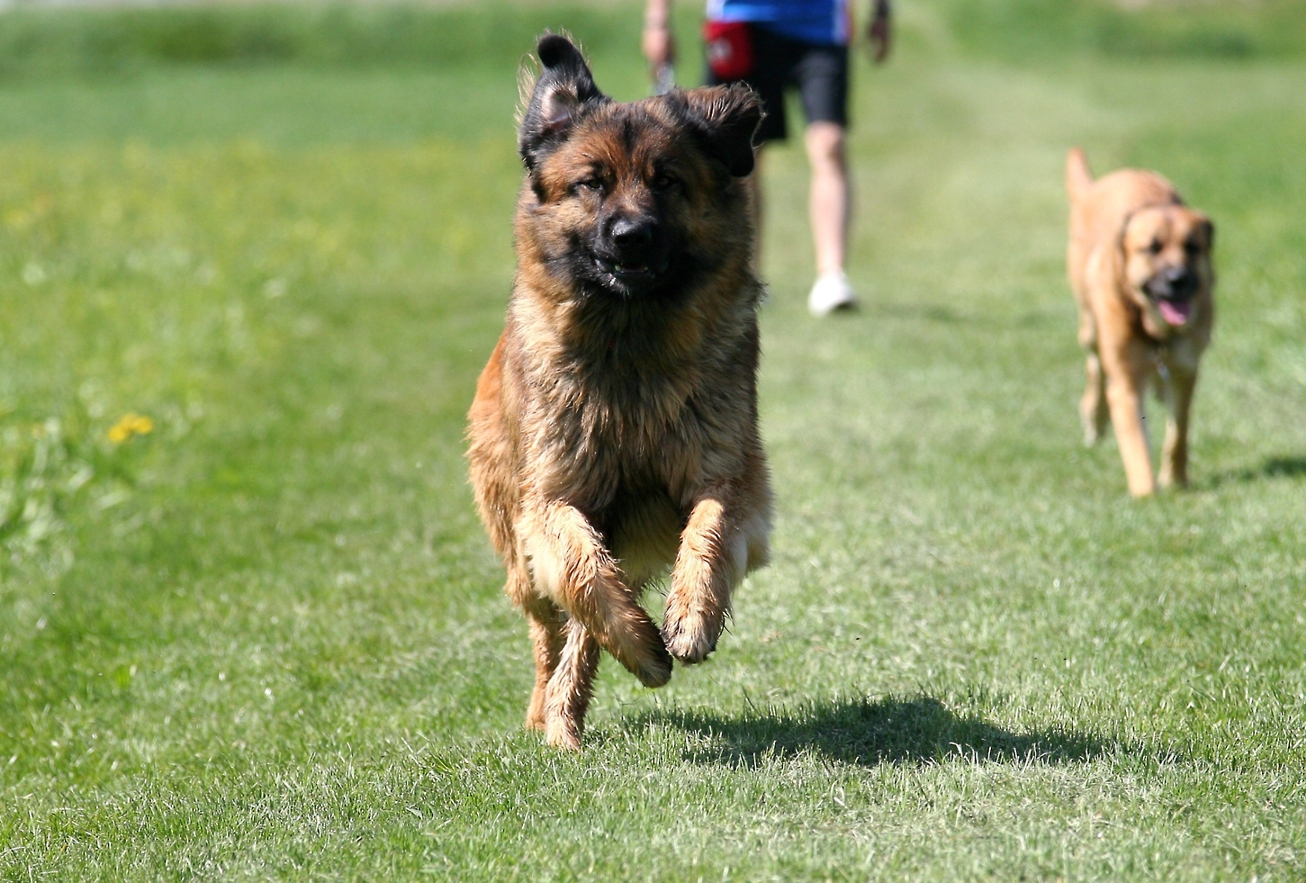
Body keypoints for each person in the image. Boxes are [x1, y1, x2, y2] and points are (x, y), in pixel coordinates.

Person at [642, 0, 892, 316]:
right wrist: (658, 21)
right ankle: (746, 274)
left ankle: (832, 276)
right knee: (741, 158)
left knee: (830, 143)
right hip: (742, 23)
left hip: (821, 27)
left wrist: (881, 11)